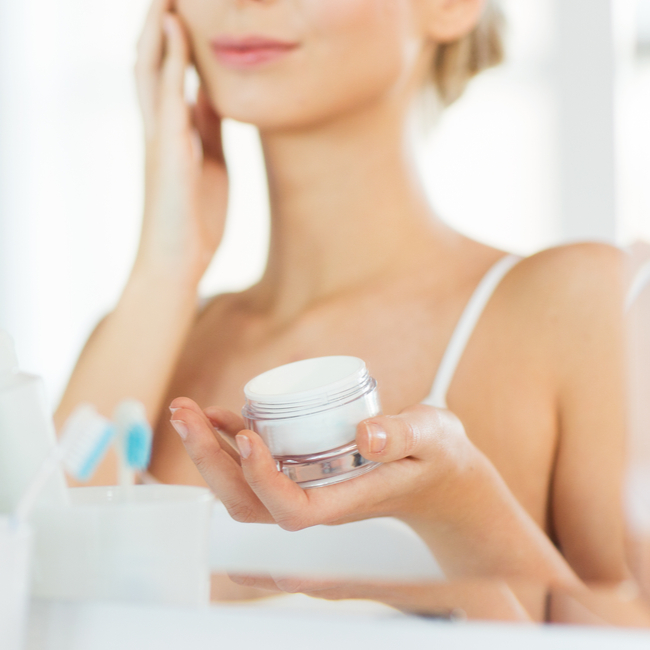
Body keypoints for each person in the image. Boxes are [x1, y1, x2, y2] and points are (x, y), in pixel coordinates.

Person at [56, 0, 630, 590]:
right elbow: (34, 591)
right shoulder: (136, 336)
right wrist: (164, 270)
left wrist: (462, 501)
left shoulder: (574, 308)